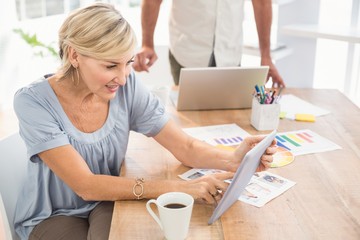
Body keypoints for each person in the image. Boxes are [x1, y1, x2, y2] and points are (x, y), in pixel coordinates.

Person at [13, 3, 276, 240]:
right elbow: (86, 185)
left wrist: (234, 158)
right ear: (74, 56)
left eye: (127, 62)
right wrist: (183, 189)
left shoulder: (124, 88)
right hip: (55, 214)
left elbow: (185, 146)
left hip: (108, 200)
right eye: (110, 66)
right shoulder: (33, 102)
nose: (123, 78)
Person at [133, 0, 286, 88]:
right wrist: (147, 43)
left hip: (230, 53)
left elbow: (262, 3)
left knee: (229, 122)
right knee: (189, 122)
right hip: (187, 52)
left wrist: (266, 56)